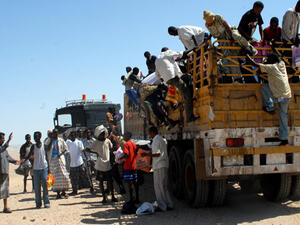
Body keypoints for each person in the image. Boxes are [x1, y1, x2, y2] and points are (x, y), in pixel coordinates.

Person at [247, 52, 291, 146]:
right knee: (283, 116)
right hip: (287, 96)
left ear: (271, 61)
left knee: (264, 88)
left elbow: (255, 64)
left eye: (268, 60)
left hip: (279, 96)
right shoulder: (282, 64)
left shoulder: (272, 67)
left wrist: (247, 57)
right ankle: (284, 139)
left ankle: (270, 108)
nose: (267, 62)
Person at [155, 47, 198, 122]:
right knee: (187, 94)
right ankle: (190, 117)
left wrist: (163, 79)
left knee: (187, 77)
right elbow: (180, 53)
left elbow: (157, 75)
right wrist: (192, 49)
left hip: (169, 80)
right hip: (173, 77)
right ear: (167, 50)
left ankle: (188, 94)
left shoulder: (157, 60)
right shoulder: (167, 53)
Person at [142, 127, 173, 212]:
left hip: (159, 165)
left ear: (152, 132)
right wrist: (148, 153)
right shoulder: (161, 139)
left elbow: (157, 154)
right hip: (164, 165)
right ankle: (169, 204)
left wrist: (146, 155)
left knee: (159, 187)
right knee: (164, 186)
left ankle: (162, 206)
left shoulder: (155, 140)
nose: (149, 135)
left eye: (149, 133)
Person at [85, 125, 117, 203]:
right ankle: (104, 198)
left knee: (110, 181)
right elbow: (87, 149)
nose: (102, 135)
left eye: (103, 133)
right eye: (101, 133)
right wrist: (95, 152)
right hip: (100, 165)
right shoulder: (96, 142)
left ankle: (112, 196)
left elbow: (111, 148)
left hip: (107, 164)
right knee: (101, 182)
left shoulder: (107, 141)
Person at [23, 131, 50, 209]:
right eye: (34, 136)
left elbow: (47, 157)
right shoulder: (33, 146)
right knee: (37, 187)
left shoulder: (44, 146)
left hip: (44, 168)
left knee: (45, 186)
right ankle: (38, 203)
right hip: (36, 169)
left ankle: (46, 202)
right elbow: (28, 156)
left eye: (36, 136)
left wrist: (49, 169)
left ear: (40, 137)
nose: (35, 138)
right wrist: (23, 161)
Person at [47, 129, 71, 199]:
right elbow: (46, 149)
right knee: (55, 177)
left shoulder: (61, 140)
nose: (55, 134)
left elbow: (65, 149)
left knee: (64, 176)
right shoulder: (49, 140)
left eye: (56, 133)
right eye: (54, 133)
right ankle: (58, 193)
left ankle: (64, 192)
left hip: (60, 159)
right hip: (52, 160)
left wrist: (60, 154)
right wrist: (51, 140)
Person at [0, 132, 19, 213]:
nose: (4, 140)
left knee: (5, 190)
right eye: (3, 138)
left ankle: (5, 207)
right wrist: (9, 140)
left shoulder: (4, 150)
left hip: (5, 173)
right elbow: (2, 148)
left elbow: (8, 158)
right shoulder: (2, 149)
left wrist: (14, 161)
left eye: (4, 138)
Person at [120, 132, 139, 203]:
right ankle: (137, 198)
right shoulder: (134, 144)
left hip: (128, 166)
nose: (123, 136)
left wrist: (120, 158)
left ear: (127, 136)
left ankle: (131, 198)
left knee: (130, 183)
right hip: (134, 165)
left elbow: (126, 154)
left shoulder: (126, 144)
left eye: (124, 135)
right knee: (135, 182)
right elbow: (136, 153)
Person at [66, 130, 86, 195]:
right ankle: (75, 191)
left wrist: (86, 159)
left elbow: (83, 151)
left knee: (83, 176)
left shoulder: (79, 142)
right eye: (70, 136)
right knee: (73, 179)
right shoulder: (68, 143)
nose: (71, 137)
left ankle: (87, 188)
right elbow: (66, 152)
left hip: (79, 162)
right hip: (72, 164)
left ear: (75, 136)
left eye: (73, 135)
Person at [107, 128, 126, 194]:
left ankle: (121, 188)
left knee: (114, 176)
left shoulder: (112, 138)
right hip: (113, 159)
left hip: (113, 159)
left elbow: (115, 148)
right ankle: (110, 189)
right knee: (113, 176)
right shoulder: (112, 137)